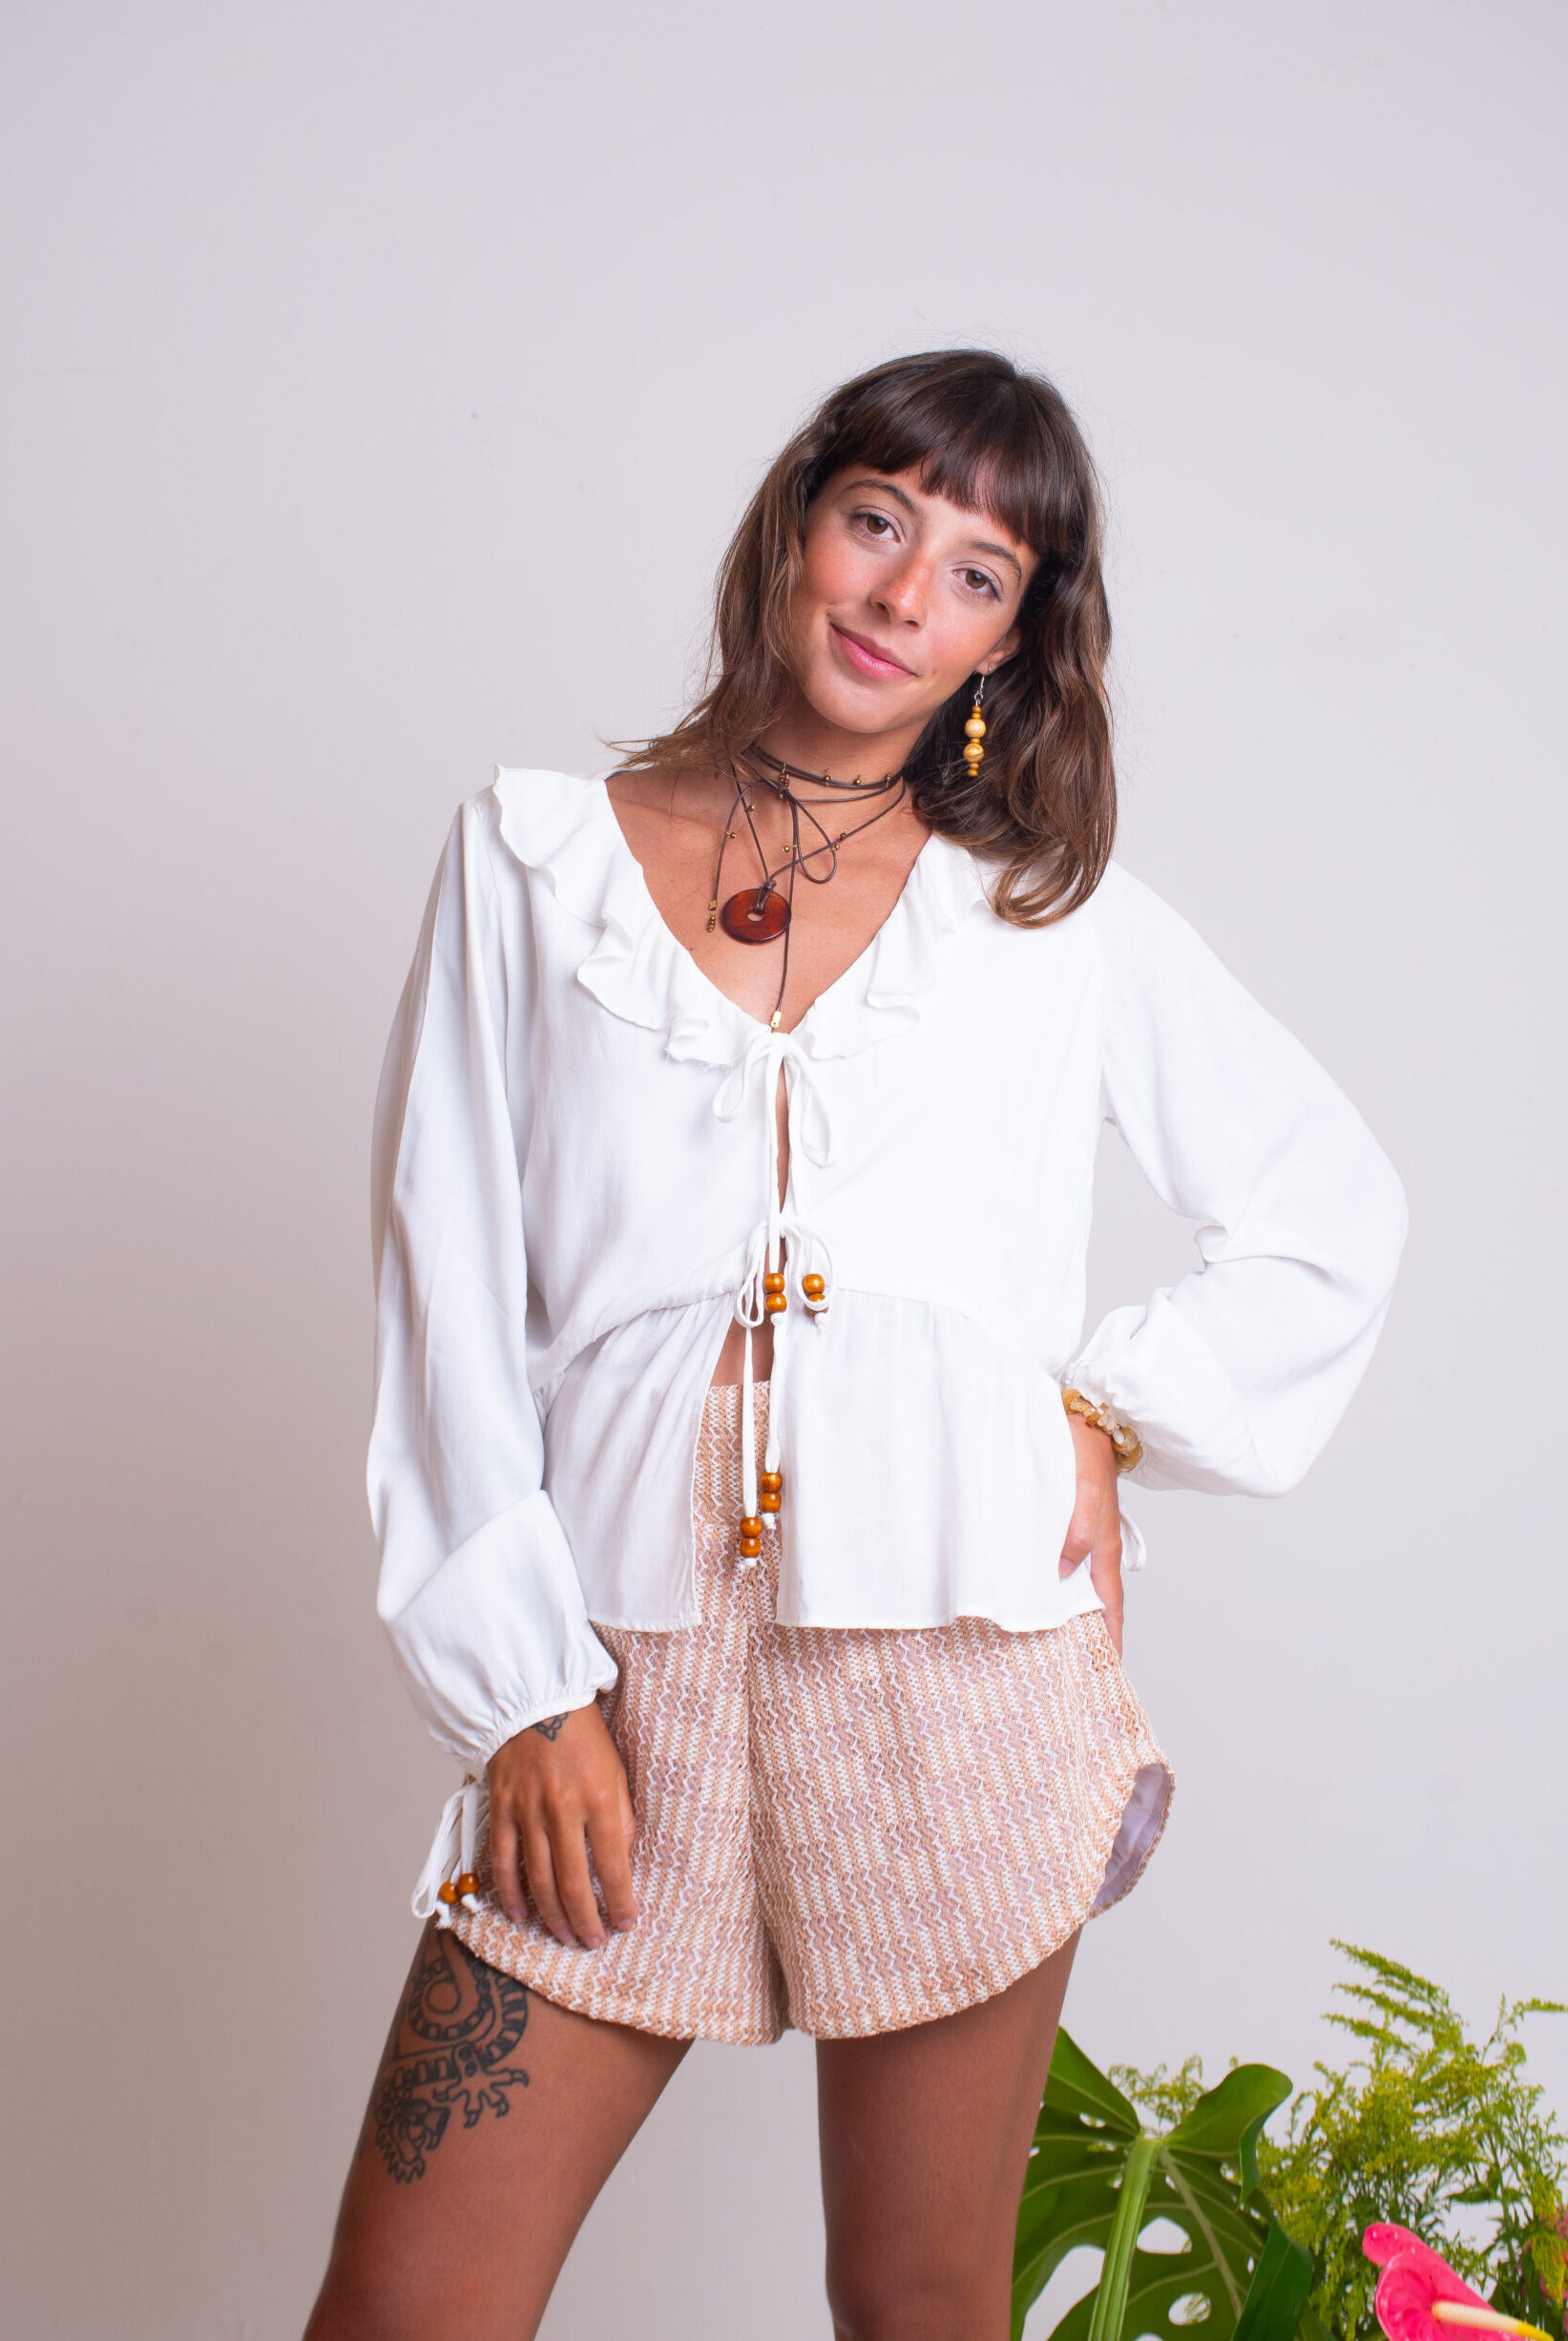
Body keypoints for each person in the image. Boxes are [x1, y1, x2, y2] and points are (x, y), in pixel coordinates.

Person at [304, 349, 1407, 2341]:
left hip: (959, 1668)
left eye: (978, 572)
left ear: (1014, 638)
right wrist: (523, 1696)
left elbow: (1328, 1208)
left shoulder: (1047, 918)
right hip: (607, 1678)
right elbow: (444, 1295)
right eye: (880, 522)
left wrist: (1109, 1410)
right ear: (799, 523)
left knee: (916, 2302)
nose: (906, 595)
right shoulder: (534, 863)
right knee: (408, 2309)